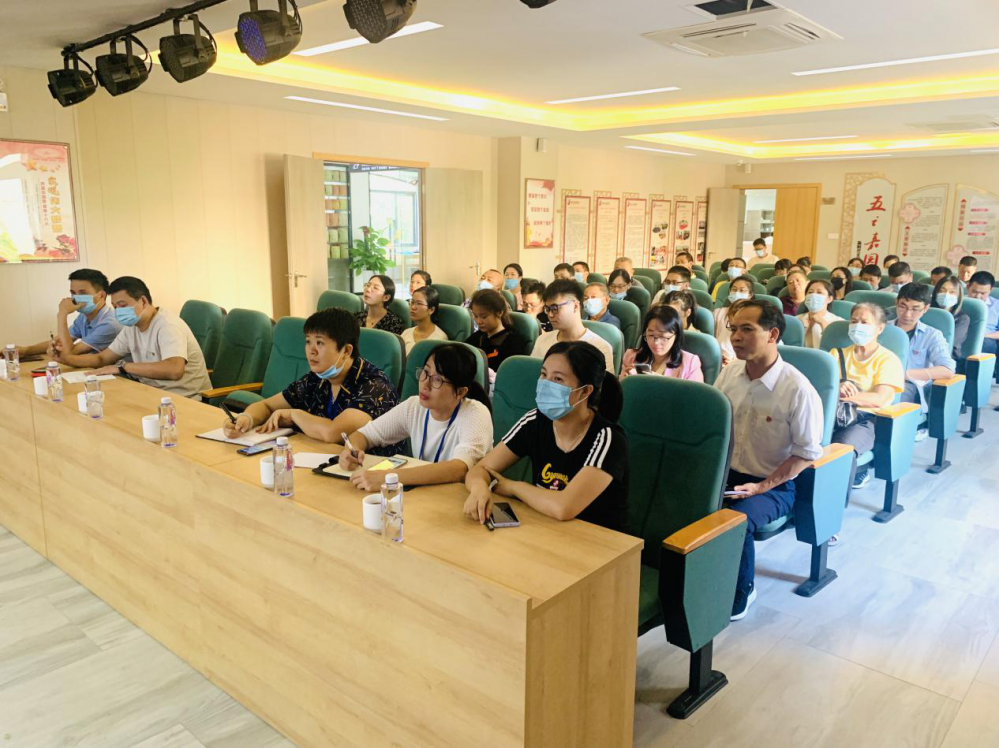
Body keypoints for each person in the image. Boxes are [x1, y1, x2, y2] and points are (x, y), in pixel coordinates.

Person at [715, 300, 824, 620]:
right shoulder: (729, 374)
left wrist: (762, 486)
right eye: (734, 329)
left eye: (747, 329)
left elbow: (805, 454)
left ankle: (742, 589)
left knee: (736, 521)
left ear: (773, 334)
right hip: (727, 474)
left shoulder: (797, 389)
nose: (736, 337)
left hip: (775, 484)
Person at [463, 341, 628, 532]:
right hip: (546, 529)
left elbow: (563, 507)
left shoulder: (608, 438)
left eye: (558, 379)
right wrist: (479, 489)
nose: (546, 384)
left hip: (596, 540)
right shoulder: (535, 420)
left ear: (585, 391)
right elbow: (480, 469)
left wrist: (514, 487)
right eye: (543, 374)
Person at [222, 308, 400, 449]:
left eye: (320, 343)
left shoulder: (374, 385)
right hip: (323, 459)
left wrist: (294, 414)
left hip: (376, 472)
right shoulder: (316, 378)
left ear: (346, 350)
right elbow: (266, 406)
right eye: (308, 341)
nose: (311, 351)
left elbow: (333, 433)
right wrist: (246, 419)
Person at [339, 344, 493, 491]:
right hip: (425, 494)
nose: (425, 384)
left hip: (461, 498)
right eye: (425, 372)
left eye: (437, 379)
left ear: (460, 392)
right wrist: (352, 451)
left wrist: (389, 478)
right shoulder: (414, 407)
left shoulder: (476, 413)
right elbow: (364, 435)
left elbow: (459, 469)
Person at [52, 276, 210, 399]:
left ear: (143, 301)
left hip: (186, 398)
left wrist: (123, 367)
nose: (118, 311)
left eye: (122, 305)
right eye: (115, 306)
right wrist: (65, 358)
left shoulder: (168, 326)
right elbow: (102, 358)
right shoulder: (132, 327)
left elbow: (174, 370)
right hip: (151, 393)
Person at [829, 303, 904, 489]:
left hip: (867, 419)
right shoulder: (836, 354)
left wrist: (842, 395)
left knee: (840, 447)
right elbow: (822, 389)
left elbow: (880, 399)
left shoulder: (888, 360)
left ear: (879, 328)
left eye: (864, 322)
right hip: (833, 414)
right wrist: (837, 388)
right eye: (854, 321)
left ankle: (833, 498)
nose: (857, 326)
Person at [889, 283, 955, 439]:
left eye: (915, 309)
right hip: (877, 381)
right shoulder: (882, 329)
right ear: (896, 303)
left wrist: (905, 374)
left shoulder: (932, 335)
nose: (907, 314)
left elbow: (947, 370)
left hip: (909, 386)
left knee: (894, 397)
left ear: (925, 308)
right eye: (903, 306)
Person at [16, 268, 121, 360]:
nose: (75, 298)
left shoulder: (110, 323)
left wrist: (62, 314)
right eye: (73, 293)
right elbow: (61, 342)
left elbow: (69, 353)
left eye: (82, 293)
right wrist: (25, 351)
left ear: (101, 295)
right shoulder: (83, 317)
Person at [531, 279, 615, 373]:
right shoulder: (542, 341)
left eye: (555, 308)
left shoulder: (600, 347)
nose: (550, 315)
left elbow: (604, 383)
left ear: (575, 306)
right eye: (547, 309)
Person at [621, 305, 703, 381]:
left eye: (663, 337)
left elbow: (694, 392)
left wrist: (662, 383)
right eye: (651, 335)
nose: (656, 342)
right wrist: (625, 382)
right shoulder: (631, 357)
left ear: (676, 336)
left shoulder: (690, 364)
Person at [466, 289, 528, 373]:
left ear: (499, 312)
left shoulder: (513, 342)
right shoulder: (477, 337)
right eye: (476, 316)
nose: (479, 321)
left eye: (484, 317)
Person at [715, 277, 756, 364]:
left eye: (742, 290)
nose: (737, 293)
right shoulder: (718, 312)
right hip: (717, 359)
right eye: (734, 289)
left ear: (750, 295)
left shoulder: (756, 316)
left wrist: (735, 362)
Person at [931, 275, 970, 359]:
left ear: (959, 296)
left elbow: (951, 344)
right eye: (942, 291)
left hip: (947, 357)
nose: (946, 295)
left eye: (952, 292)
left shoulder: (962, 319)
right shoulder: (927, 312)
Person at [401, 285, 447, 354]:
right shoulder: (406, 333)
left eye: (419, 303)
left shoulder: (440, 338)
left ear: (431, 310)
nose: (413, 307)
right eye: (412, 302)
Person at [798, 279, 843, 349]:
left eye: (819, 292)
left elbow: (837, 349)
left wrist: (823, 323)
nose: (813, 295)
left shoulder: (838, 323)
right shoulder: (796, 320)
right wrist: (800, 328)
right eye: (810, 292)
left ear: (830, 299)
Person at [966, 271, 999, 354]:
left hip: (986, 339)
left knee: (984, 343)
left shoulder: (997, 305)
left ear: (990, 290)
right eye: (974, 292)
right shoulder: (959, 302)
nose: (978, 297)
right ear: (968, 287)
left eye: (983, 293)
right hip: (961, 336)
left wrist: (982, 335)